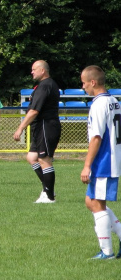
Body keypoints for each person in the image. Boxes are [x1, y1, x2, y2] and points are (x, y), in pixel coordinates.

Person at [80, 65, 121, 260]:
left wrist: (87, 165)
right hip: (112, 159)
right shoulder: (114, 101)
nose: (83, 87)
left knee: (97, 204)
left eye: (84, 83)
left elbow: (96, 137)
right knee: (92, 202)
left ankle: (107, 252)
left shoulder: (98, 104)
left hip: (104, 161)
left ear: (93, 82)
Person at [13, 60, 61, 203]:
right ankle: (47, 188)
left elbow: (34, 111)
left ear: (42, 70)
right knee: (32, 158)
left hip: (47, 126)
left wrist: (20, 128)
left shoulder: (46, 85)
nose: (31, 72)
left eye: (34, 69)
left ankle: (50, 196)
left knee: (44, 160)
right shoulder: (43, 86)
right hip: (40, 127)